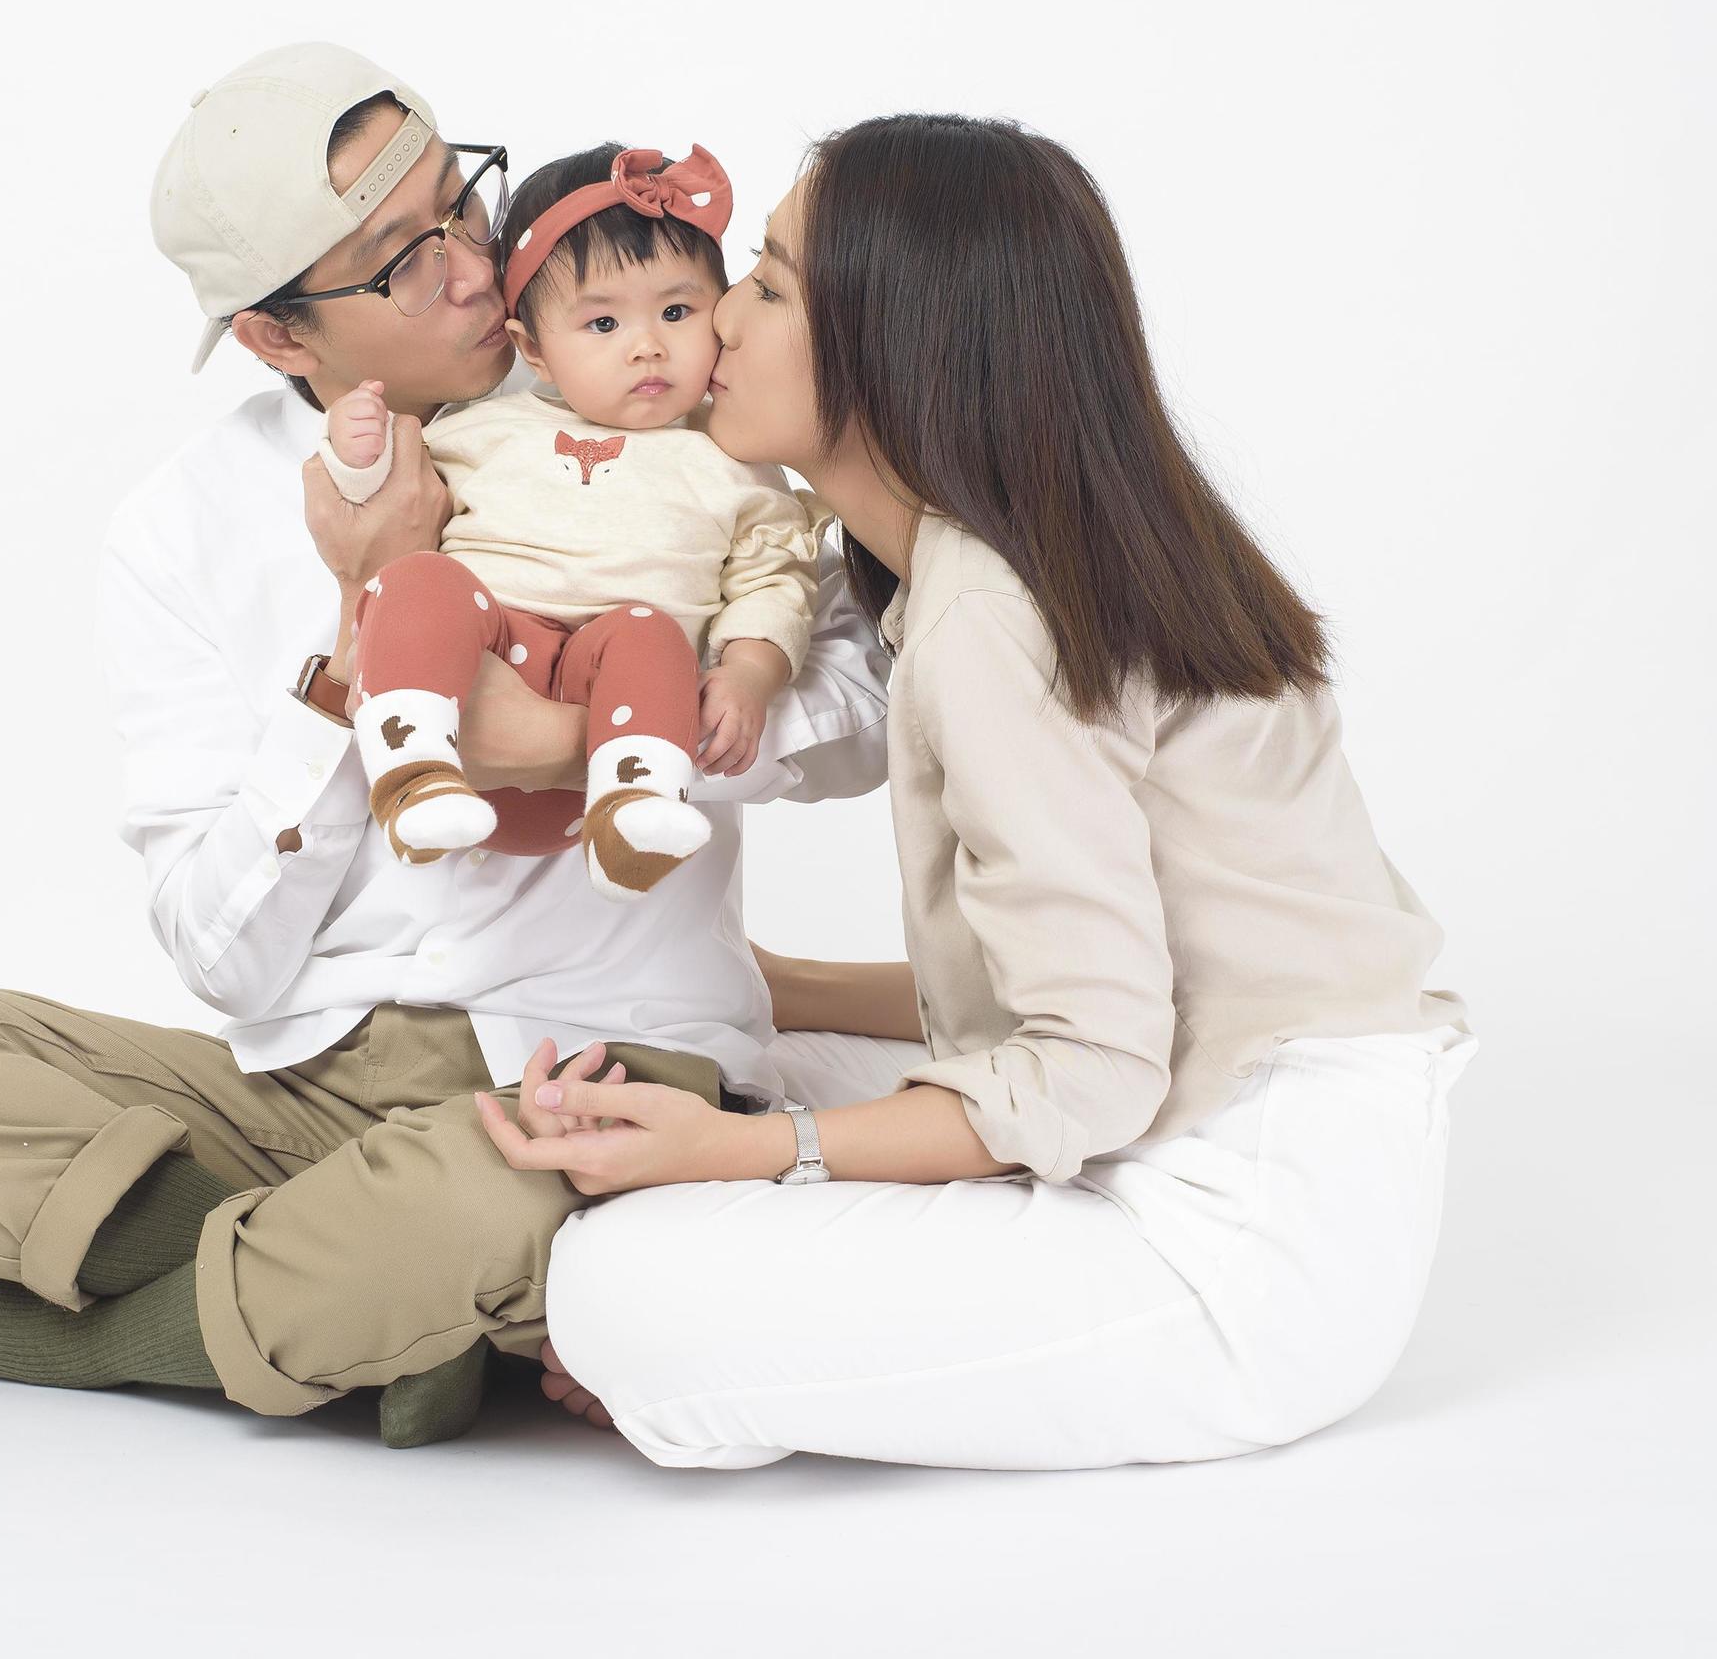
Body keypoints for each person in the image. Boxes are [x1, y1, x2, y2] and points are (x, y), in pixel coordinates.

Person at [0, 43, 900, 1448]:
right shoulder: (183, 527)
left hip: (600, 1066)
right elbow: (221, 956)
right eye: (396, 261)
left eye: (457, 207)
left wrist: (579, 740)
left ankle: (106, 1336)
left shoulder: (644, 391)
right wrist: (353, 657)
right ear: (278, 337)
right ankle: (355, 1308)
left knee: (475, 1198)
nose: (474, 270)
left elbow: (871, 708)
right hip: (306, 1082)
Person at [479, 112, 1478, 1472]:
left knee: (620, 1281)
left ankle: (734, 1357)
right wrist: (777, 991)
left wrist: (733, 1164)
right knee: (723, 1052)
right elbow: (1099, 979)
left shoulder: (987, 620)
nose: (711, 324)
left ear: (894, 343)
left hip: (1237, 1241)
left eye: (765, 285)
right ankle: (781, 1332)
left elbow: (1085, 1072)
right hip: (1207, 1098)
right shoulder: (1001, 562)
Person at [323, 139, 822, 897]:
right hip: (483, 678)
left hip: (607, 725)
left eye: (677, 311)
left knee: (650, 631)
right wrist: (355, 451)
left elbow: (773, 580)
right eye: (601, 327)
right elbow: (383, 503)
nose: (647, 347)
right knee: (420, 580)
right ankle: (413, 772)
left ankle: (636, 813)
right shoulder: (485, 428)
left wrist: (749, 675)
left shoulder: (734, 460)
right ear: (536, 351)